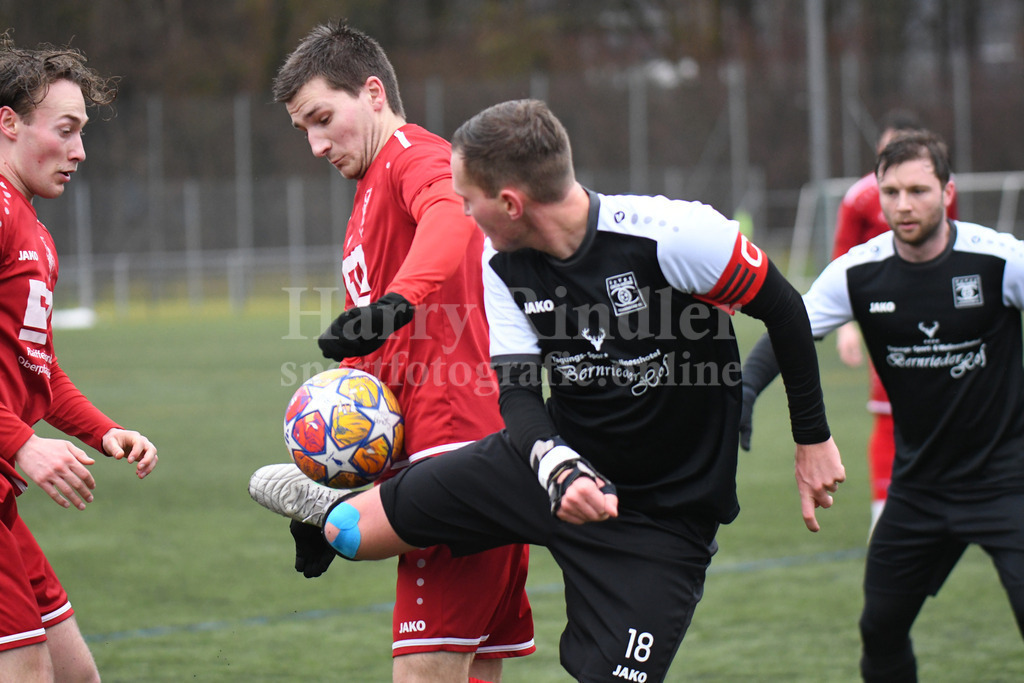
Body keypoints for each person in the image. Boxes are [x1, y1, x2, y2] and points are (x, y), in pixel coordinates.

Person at [251, 98, 846, 682]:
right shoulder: (499, 261)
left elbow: (786, 309)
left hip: (660, 520)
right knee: (348, 533)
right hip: (545, 464)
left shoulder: (677, 236)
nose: (460, 213)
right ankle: (330, 504)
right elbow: (517, 392)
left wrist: (812, 438)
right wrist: (558, 465)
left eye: (466, 201)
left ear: (510, 203)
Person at [255, 22, 535, 683]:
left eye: (324, 118)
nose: (318, 144)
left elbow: (450, 214)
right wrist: (335, 479)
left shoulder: (415, 156)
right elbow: (380, 352)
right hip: (466, 449)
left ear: (373, 93)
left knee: (425, 672)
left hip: (453, 450)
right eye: (304, 130)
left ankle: (338, 519)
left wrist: (395, 300)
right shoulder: (370, 189)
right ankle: (337, 512)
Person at [740, 130, 1024, 681]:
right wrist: (747, 389)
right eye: (890, 191)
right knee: (880, 629)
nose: (904, 204)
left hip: (1007, 483)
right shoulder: (859, 272)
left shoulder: (998, 260)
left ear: (947, 192)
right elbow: (790, 329)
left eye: (918, 189)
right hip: (919, 486)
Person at [0, 33, 159, 682]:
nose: (79, 151)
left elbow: (41, 368)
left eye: (83, 131)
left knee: (74, 673)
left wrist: (102, 429)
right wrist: (21, 444)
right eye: (65, 130)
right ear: (7, 124)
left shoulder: (33, 229)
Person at [828, 110, 957, 533]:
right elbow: (841, 258)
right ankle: (884, 509)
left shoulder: (938, 192)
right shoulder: (859, 197)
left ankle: (955, 497)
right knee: (887, 410)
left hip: (939, 308)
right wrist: (847, 325)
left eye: (917, 188)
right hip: (884, 317)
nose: (904, 203)